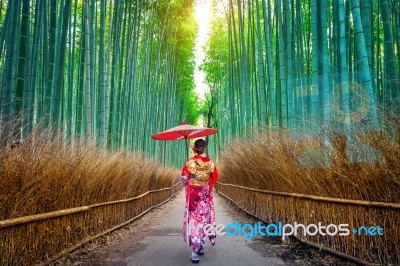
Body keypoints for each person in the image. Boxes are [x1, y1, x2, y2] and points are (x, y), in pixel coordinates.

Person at [181, 138, 218, 263]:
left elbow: (184, 177)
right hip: (205, 194)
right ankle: (200, 245)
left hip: (194, 195)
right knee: (205, 218)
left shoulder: (190, 162)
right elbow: (214, 177)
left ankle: (194, 251)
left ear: (195, 148)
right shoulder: (210, 162)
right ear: (204, 147)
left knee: (195, 219)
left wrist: (189, 177)